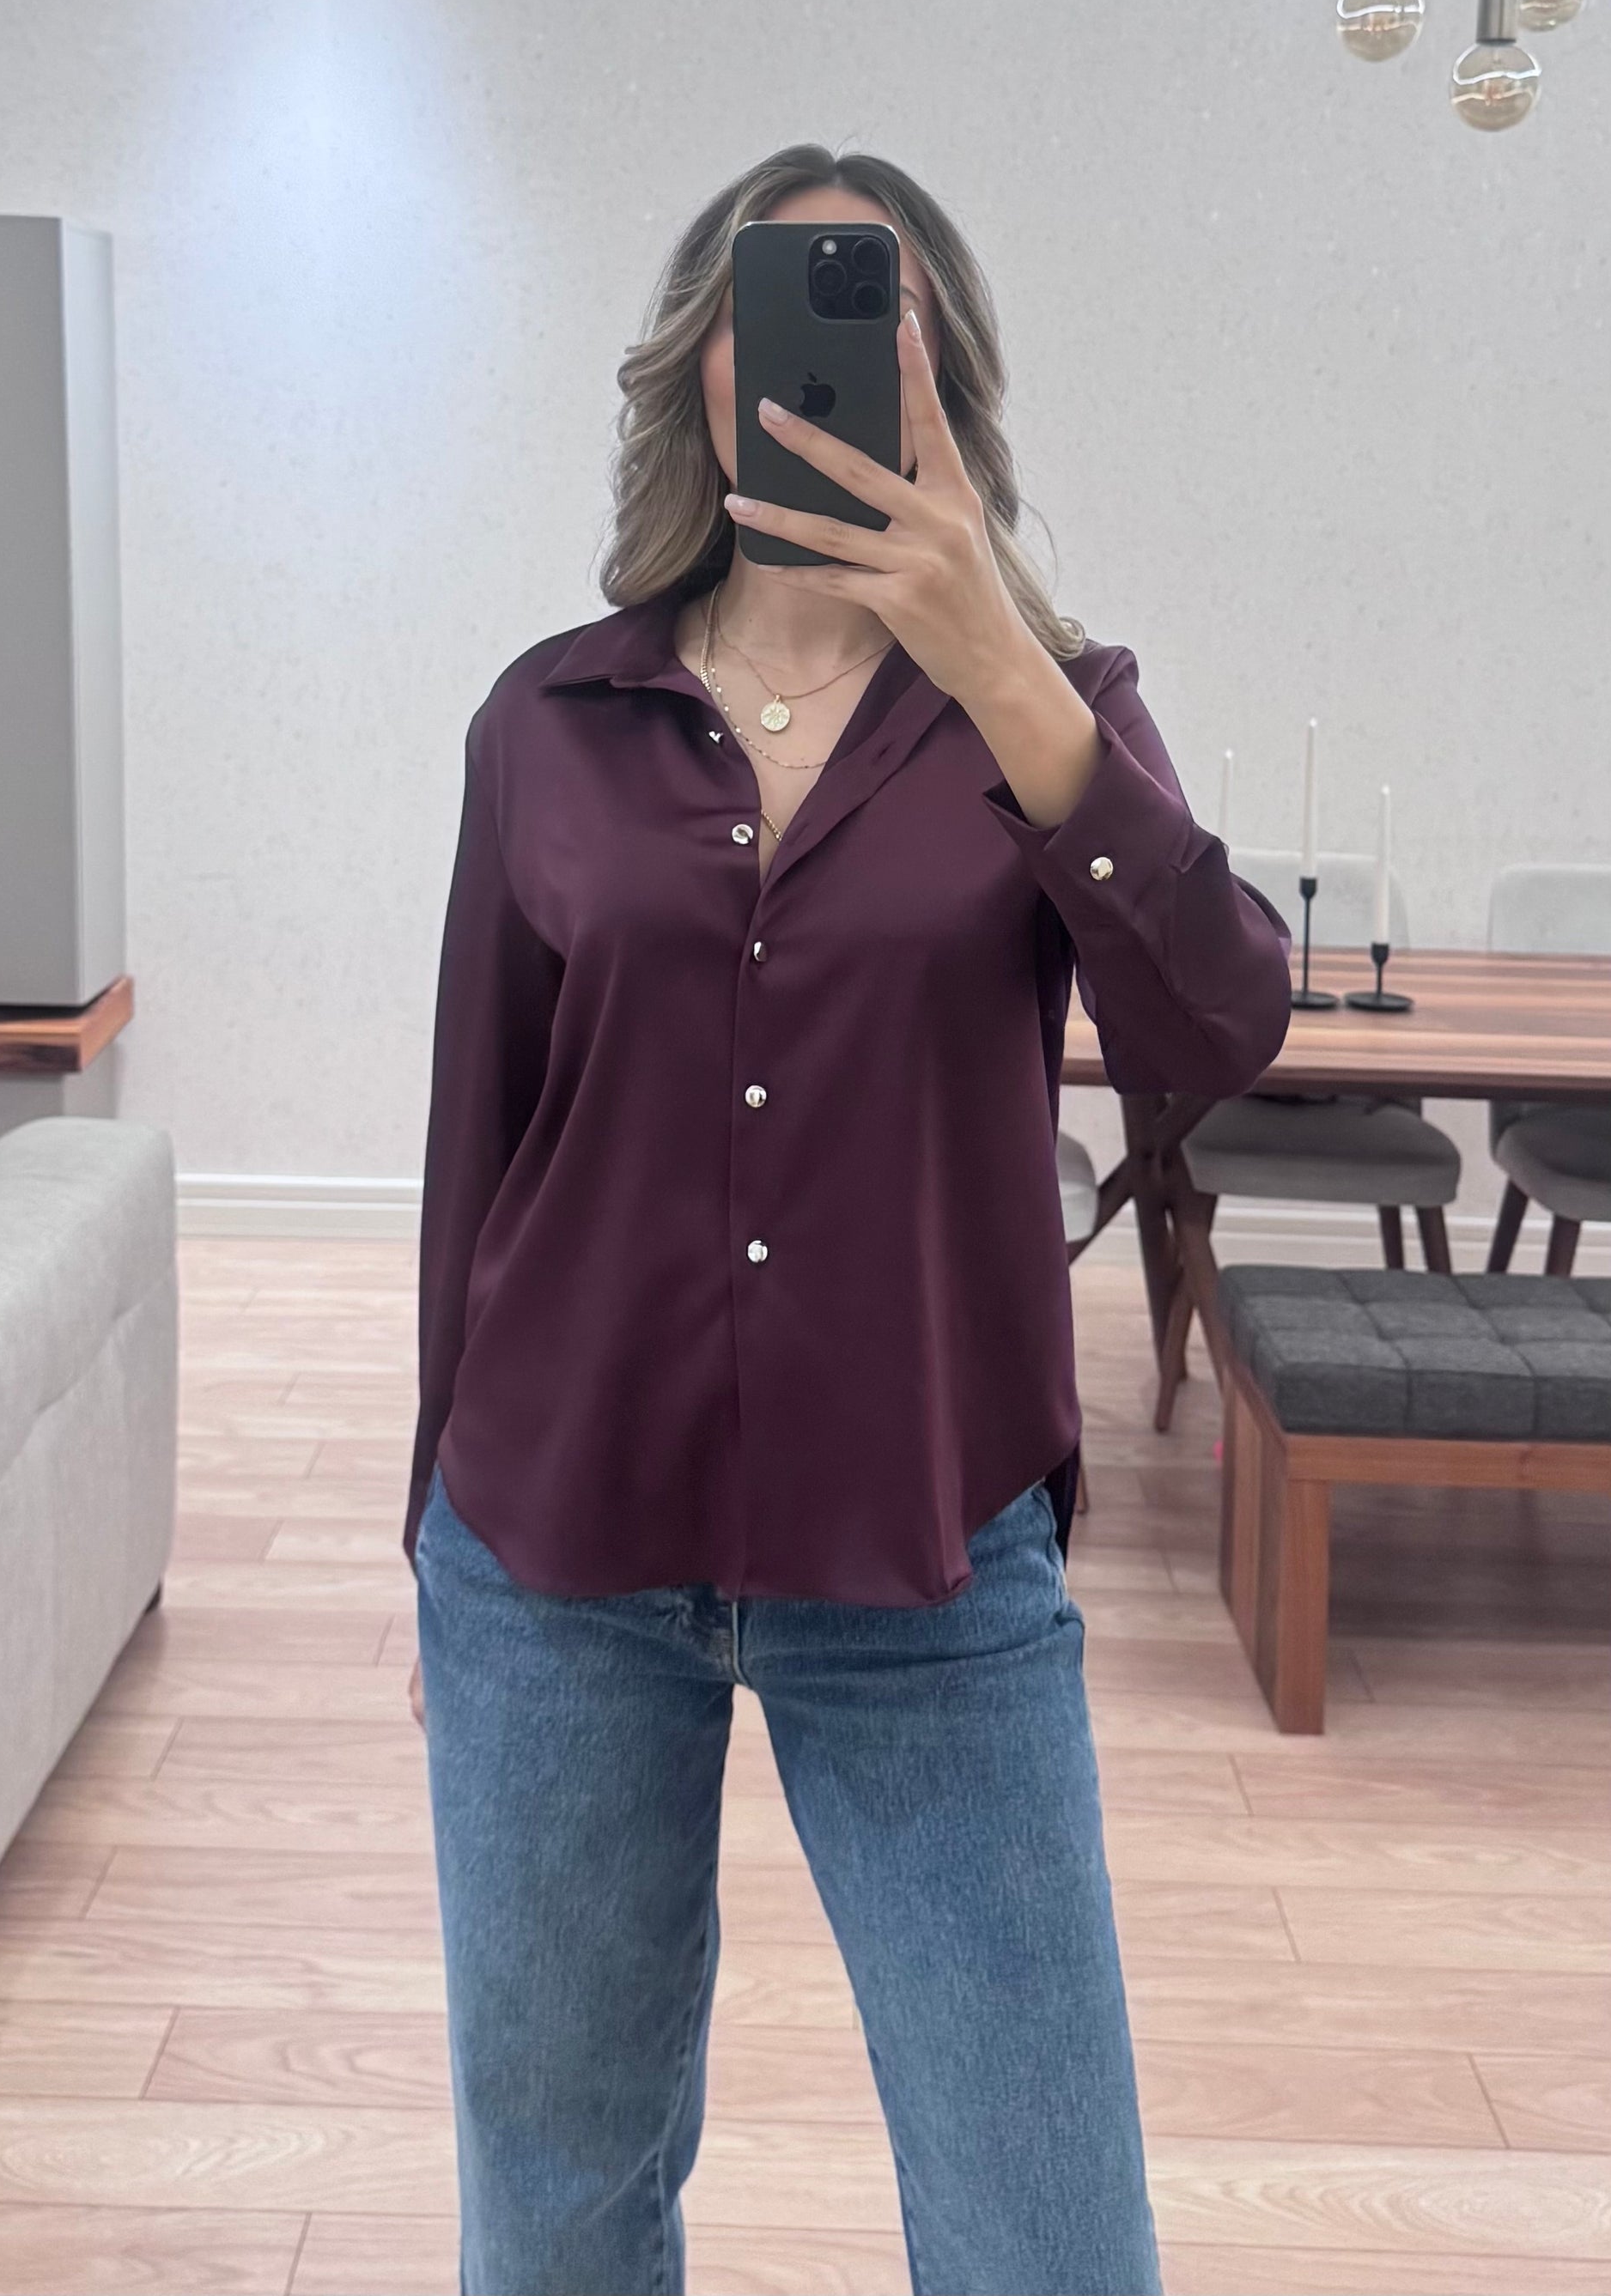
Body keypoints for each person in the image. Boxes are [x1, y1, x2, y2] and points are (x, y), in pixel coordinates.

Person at [404, 142, 1292, 2296]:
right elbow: (479, 1145)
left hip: (928, 1551)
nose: (799, 351)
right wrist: (430, 1525)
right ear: (696, 371)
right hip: (555, 1554)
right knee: (558, 2212)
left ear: (937, 373)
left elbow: (1220, 1022)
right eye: (761, 305)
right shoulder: (550, 720)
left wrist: (1000, 661)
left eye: (862, 307)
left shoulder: (1051, 713)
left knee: (1045, 2237)